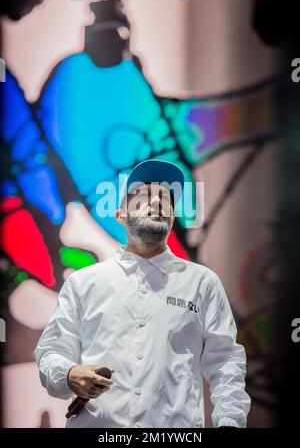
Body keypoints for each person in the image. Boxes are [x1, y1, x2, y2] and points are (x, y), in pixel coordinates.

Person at [35, 159, 251, 428]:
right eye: (144, 196)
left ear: (172, 218)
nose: (158, 202)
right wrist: (69, 374)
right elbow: (51, 352)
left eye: (166, 199)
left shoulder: (203, 283)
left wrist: (230, 423)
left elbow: (226, 361)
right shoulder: (83, 283)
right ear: (120, 215)